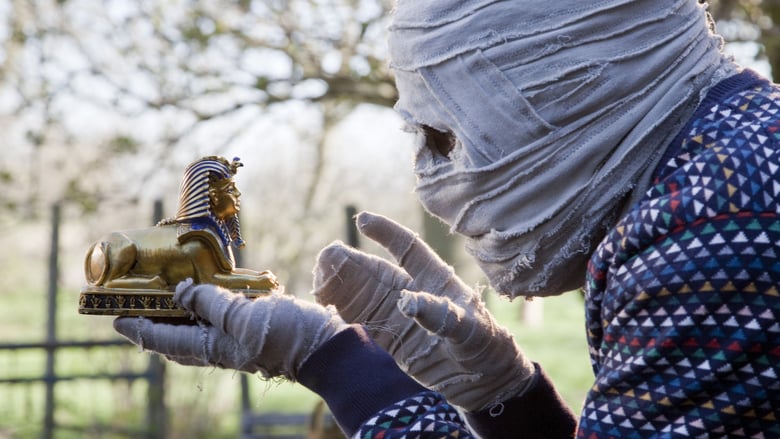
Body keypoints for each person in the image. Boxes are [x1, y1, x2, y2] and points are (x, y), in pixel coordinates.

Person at [113, 0, 780, 437]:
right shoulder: (731, 159)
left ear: (560, 84)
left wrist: (337, 362)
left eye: (445, 137)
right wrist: (507, 394)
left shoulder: (711, 223)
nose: (431, 189)